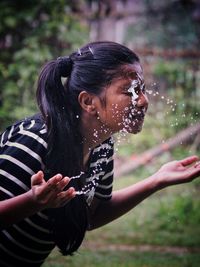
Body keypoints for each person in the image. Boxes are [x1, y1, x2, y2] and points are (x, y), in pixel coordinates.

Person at [0, 41, 200, 267]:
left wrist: (157, 180)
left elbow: (92, 215)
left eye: (142, 89)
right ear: (88, 102)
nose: (143, 101)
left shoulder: (102, 146)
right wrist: (32, 202)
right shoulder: (35, 141)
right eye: (130, 91)